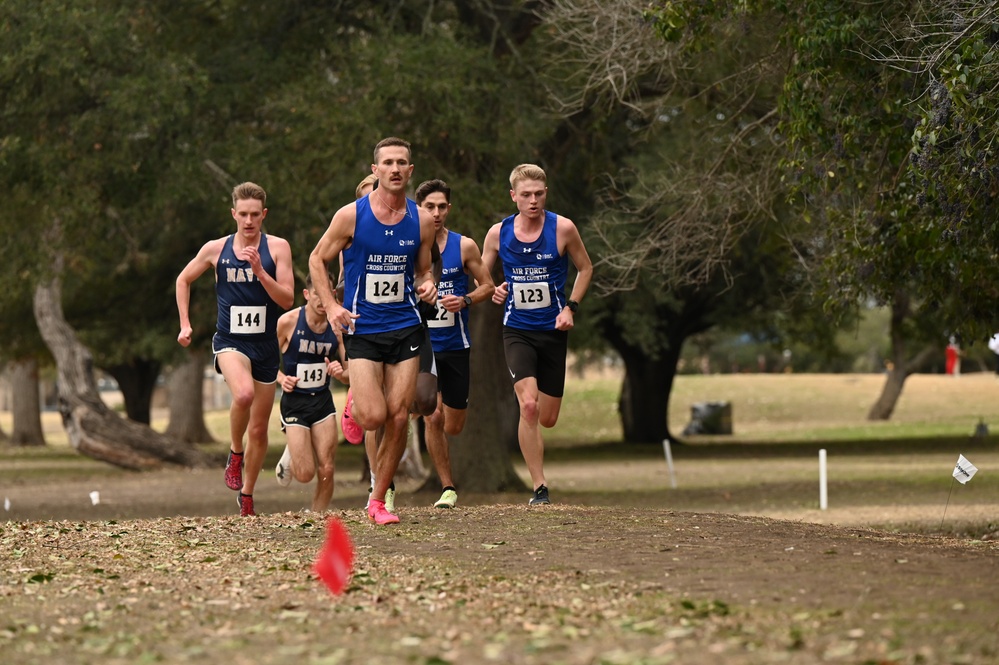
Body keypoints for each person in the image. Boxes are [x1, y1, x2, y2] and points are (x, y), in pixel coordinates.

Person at [308, 137, 437, 525]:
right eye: (388, 163)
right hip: (363, 328)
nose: (395, 169)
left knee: (399, 416)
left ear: (410, 172)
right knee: (373, 417)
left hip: (406, 326)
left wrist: (428, 282)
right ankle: (359, 403)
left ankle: (378, 500)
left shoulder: (422, 220)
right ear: (375, 169)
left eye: (402, 163)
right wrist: (331, 305)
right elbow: (317, 258)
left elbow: (424, 269)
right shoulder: (351, 216)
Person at [176, 182, 294, 517]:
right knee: (242, 395)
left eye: (255, 214)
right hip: (230, 341)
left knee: (259, 429)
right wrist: (185, 323)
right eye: (242, 214)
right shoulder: (216, 249)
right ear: (233, 214)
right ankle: (234, 452)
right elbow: (183, 280)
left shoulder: (279, 249)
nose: (248, 220)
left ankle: (247, 495)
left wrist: (259, 271)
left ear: (264, 215)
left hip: (266, 346)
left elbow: (287, 299)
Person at [481, 164, 593, 506]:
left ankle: (539, 475)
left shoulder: (563, 229)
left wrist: (570, 308)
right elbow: (481, 272)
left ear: (546, 193)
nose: (533, 201)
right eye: (526, 195)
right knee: (528, 406)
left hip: (553, 331)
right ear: (513, 196)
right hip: (517, 330)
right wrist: (491, 289)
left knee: (548, 417)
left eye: (539, 194)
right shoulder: (498, 233)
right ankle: (539, 488)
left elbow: (586, 268)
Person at [415, 179, 495, 509]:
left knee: (453, 424)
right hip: (422, 344)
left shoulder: (464, 247)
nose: (436, 213)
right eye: (429, 207)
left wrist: (465, 299)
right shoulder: (407, 246)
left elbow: (488, 286)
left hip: (455, 344)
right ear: (419, 208)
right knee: (431, 416)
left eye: (441, 206)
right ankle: (448, 488)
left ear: (449, 208)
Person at [273, 273, 349, 512]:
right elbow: (265, 359)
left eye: (326, 293)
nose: (321, 299)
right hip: (295, 403)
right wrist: (281, 378)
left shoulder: (338, 325)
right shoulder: (288, 322)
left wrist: (339, 370)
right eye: (316, 293)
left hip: (322, 402)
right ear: (307, 294)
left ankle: (318, 515)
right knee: (305, 474)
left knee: (327, 467)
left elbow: (350, 371)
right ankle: (292, 452)